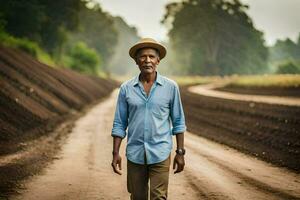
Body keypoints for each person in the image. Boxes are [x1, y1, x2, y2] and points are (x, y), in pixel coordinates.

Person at [111, 38, 186, 200]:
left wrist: (180, 152)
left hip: (161, 152)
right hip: (135, 154)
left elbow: (178, 122)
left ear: (158, 60)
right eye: (143, 57)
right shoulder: (126, 89)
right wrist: (115, 153)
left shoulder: (170, 87)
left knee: (159, 197)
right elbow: (119, 123)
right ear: (136, 61)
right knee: (137, 197)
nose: (147, 60)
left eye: (151, 56)